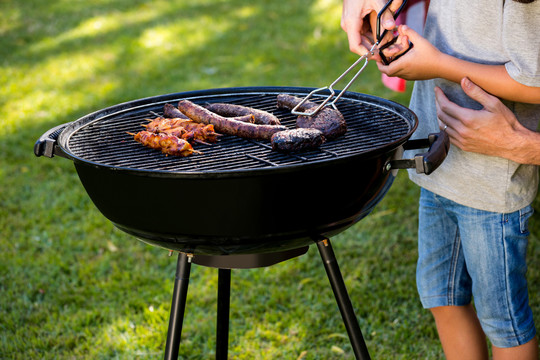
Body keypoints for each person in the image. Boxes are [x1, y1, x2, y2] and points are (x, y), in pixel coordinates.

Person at [341, 0, 540, 359]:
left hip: (491, 183)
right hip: (437, 168)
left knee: (502, 321)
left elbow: (534, 82)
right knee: (441, 297)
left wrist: (438, 66)